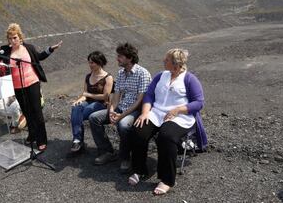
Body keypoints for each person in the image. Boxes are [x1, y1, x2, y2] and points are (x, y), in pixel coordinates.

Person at [128, 48, 207, 195]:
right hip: (157, 113)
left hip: (180, 116)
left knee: (166, 137)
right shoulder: (160, 76)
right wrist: (145, 113)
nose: (163, 61)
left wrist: (177, 110)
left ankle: (167, 179)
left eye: (166, 60)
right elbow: (149, 95)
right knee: (138, 131)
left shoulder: (189, 79)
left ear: (175, 64)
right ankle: (140, 170)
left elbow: (199, 102)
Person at [0, 23, 62, 152]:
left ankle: (42, 139)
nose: (12, 40)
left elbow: (39, 57)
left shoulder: (29, 48)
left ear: (20, 37)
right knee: (26, 112)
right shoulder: (5, 51)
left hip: (32, 83)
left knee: (37, 112)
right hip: (17, 86)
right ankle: (32, 134)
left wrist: (51, 49)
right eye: (10, 38)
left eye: (15, 37)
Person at [89, 43, 151, 173]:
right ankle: (107, 152)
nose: (117, 58)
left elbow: (140, 101)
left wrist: (120, 116)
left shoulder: (142, 73)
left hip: (135, 110)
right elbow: (116, 96)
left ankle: (125, 157)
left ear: (130, 58)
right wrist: (112, 110)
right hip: (121, 107)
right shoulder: (121, 73)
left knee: (123, 125)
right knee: (94, 118)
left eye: (120, 56)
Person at [69, 51, 113, 154]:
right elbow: (84, 94)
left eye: (92, 62)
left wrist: (89, 95)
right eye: (89, 62)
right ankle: (77, 140)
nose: (90, 65)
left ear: (99, 63)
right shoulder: (88, 76)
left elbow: (105, 96)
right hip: (88, 102)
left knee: (77, 116)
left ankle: (79, 142)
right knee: (76, 108)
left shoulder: (108, 77)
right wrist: (78, 101)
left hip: (101, 104)